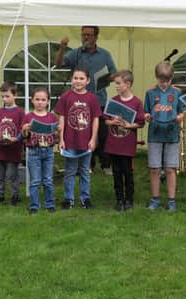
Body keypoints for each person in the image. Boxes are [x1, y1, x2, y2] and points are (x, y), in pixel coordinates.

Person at [54, 25, 116, 175]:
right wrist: (62, 47)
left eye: (89, 35)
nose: (86, 38)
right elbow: (58, 64)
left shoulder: (104, 54)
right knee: (82, 130)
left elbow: (114, 73)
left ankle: (105, 164)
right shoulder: (76, 53)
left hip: (98, 99)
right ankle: (88, 165)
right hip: (78, 102)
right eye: (83, 35)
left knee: (101, 132)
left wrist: (105, 79)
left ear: (96, 37)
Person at [55, 67, 102, 210]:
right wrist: (60, 139)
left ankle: (85, 198)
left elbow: (95, 120)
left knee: (84, 170)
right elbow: (61, 118)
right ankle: (68, 199)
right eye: (75, 78)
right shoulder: (65, 97)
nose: (78, 81)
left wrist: (93, 139)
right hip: (69, 140)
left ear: (87, 81)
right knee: (69, 171)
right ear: (71, 80)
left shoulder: (92, 98)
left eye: (82, 78)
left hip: (86, 141)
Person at [144, 62, 184, 212]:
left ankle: (172, 200)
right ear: (157, 78)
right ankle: (155, 199)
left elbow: (181, 111)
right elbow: (146, 112)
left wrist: (180, 116)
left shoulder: (177, 93)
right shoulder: (150, 93)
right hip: (155, 134)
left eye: (168, 80)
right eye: (162, 80)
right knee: (154, 168)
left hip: (171, 134)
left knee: (170, 168)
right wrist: (147, 116)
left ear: (172, 78)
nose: (165, 83)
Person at [103, 70, 145, 211]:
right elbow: (106, 121)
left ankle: (129, 200)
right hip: (113, 143)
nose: (116, 86)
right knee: (116, 172)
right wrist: (113, 121)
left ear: (128, 84)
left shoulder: (136, 102)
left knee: (127, 171)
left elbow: (140, 122)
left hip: (127, 144)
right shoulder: (113, 101)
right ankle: (119, 199)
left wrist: (128, 125)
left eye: (118, 83)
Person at [0, 81, 24, 205]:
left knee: (12, 175)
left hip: (13, 150)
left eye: (7, 96)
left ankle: (14, 196)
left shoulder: (19, 112)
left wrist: (17, 138)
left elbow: (23, 130)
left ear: (15, 95)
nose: (4, 99)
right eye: (2, 96)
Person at [21, 87, 58, 214]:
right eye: (37, 99)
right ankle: (34, 206)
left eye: (43, 99)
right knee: (35, 180)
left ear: (48, 101)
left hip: (48, 151)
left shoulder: (52, 117)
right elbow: (25, 136)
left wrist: (58, 130)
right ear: (32, 100)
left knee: (48, 180)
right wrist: (25, 129)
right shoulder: (28, 116)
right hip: (33, 151)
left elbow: (56, 135)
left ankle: (49, 204)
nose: (40, 102)